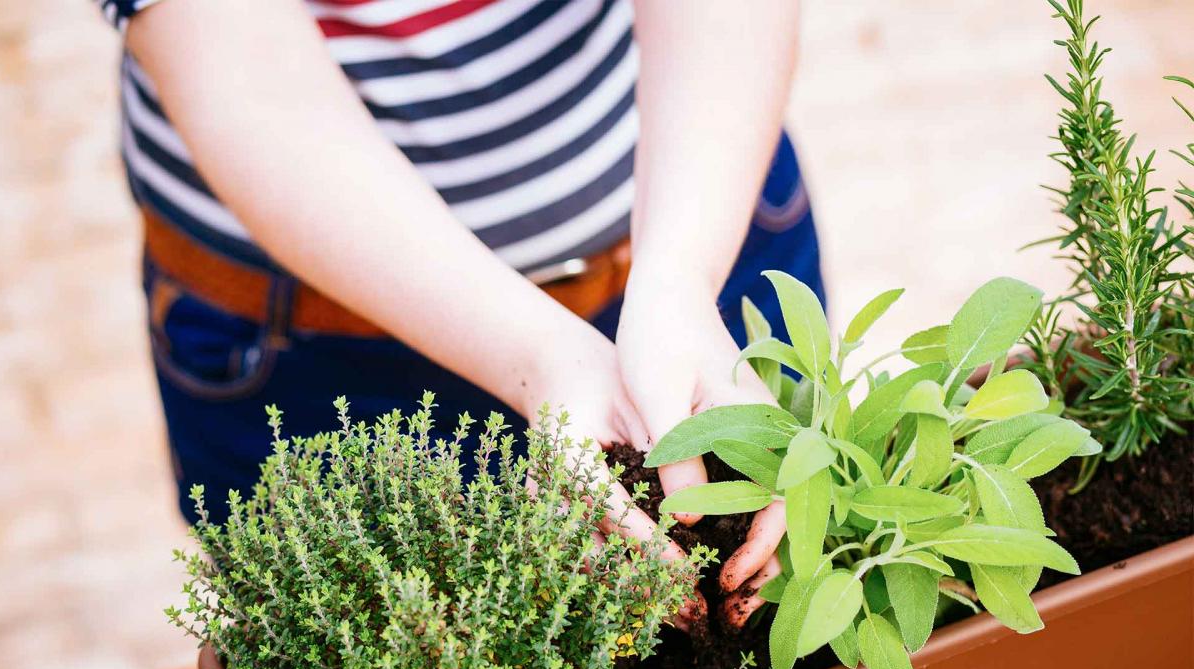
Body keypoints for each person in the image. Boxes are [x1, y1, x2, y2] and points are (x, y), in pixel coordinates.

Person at [94, 0, 824, 625]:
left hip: (698, 213)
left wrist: (680, 280)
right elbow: (242, 71)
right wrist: (542, 354)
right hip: (323, 351)